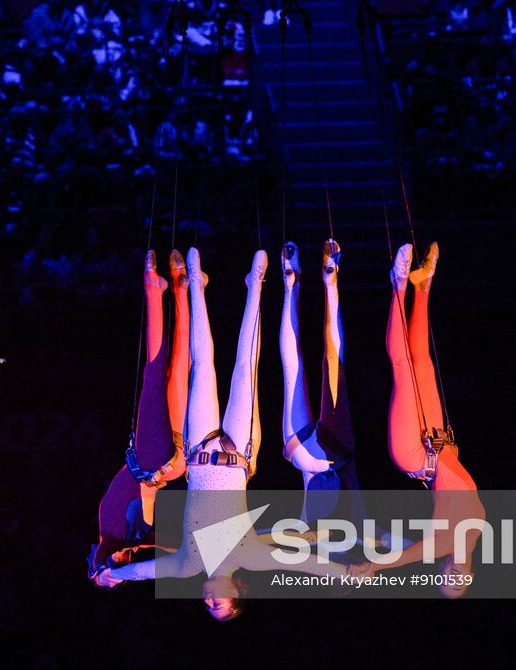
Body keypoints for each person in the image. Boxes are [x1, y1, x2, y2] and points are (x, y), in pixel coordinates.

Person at [98, 249, 365, 619]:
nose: (209, 601)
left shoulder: (188, 565)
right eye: (220, 604)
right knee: (246, 366)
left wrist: (114, 574)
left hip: (198, 451)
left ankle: (196, 286)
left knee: (202, 366)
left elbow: (145, 571)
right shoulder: (249, 557)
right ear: (238, 591)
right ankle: (255, 284)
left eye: (208, 606)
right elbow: (301, 565)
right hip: (239, 452)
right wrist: (344, 572)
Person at [384, 242, 485, 598]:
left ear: (441, 571)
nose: (454, 578)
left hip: (414, 455)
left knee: (403, 368)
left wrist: (376, 566)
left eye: (446, 582)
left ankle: (397, 282)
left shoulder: (444, 544)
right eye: (459, 585)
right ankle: (423, 284)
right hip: (439, 441)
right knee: (422, 360)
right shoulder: (474, 533)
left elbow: (409, 555)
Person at [89, 249, 190, 583]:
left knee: (180, 369)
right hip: (153, 458)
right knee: (158, 369)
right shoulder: (114, 532)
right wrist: (105, 572)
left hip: (172, 466)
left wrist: (107, 570)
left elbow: (106, 560)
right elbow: (102, 559)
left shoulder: (127, 536)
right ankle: (157, 288)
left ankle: (180, 288)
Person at [278, 241, 369, 529]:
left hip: (318, 458)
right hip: (319, 452)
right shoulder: (346, 529)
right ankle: (314, 281)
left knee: (308, 365)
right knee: (318, 364)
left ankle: (302, 281)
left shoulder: (312, 533)